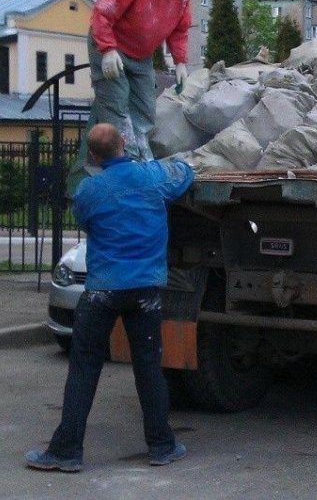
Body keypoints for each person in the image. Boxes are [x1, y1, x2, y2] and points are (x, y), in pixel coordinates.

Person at [25, 123, 195, 472]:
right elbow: (184, 176)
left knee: (84, 368)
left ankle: (66, 451)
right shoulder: (152, 176)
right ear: (125, 145)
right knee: (149, 368)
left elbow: (86, 220)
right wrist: (181, 164)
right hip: (145, 290)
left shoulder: (89, 190)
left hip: (103, 290)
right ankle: (162, 445)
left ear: (92, 155)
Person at [88, 0, 194, 160]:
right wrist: (107, 49)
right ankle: (126, 160)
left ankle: (141, 153)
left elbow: (180, 28)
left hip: (141, 54)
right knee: (117, 106)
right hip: (111, 46)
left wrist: (180, 62)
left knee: (145, 108)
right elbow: (103, 13)